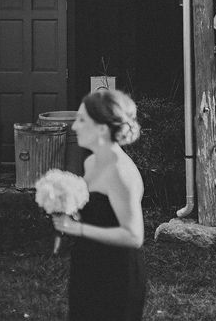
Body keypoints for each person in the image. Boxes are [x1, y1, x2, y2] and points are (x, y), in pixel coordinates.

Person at [52, 89, 146, 321]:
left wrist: (79, 229)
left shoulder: (120, 173)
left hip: (116, 273)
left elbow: (134, 236)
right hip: (88, 263)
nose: (74, 126)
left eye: (82, 119)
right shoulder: (92, 161)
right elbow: (98, 210)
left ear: (102, 128)